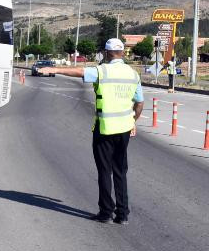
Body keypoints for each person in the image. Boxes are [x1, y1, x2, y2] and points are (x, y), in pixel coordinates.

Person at [39, 38, 144, 225]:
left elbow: (79, 71)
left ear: (107, 52)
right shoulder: (133, 74)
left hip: (105, 129)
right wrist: (133, 121)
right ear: (122, 53)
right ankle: (123, 214)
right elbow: (140, 103)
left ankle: (106, 212)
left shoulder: (101, 71)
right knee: (120, 170)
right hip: (125, 129)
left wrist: (54, 69)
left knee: (105, 171)